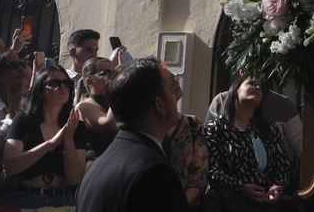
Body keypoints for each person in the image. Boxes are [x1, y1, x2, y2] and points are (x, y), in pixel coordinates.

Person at [74, 59, 184, 212]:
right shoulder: (155, 174)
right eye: (171, 87)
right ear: (160, 106)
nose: (177, 92)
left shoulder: (96, 168)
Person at [0, 62, 85, 211]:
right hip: (26, 199)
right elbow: (9, 166)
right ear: (40, 89)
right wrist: (50, 144)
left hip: (64, 200)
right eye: (55, 83)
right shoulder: (24, 120)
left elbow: (75, 178)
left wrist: (68, 139)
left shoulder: (76, 125)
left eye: (66, 83)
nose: (62, 87)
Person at [201, 77, 293, 210]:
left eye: (260, 87)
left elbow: (283, 167)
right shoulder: (215, 128)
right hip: (228, 200)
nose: (257, 87)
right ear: (236, 89)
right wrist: (241, 188)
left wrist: (277, 186)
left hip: (265, 201)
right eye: (252, 83)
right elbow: (212, 171)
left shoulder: (268, 128)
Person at [159, 71, 207, 208]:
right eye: (168, 80)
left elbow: (199, 174)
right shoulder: (148, 126)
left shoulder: (193, 124)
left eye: (173, 76)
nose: (175, 81)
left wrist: (180, 204)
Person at [71, 59, 116, 161]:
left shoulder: (113, 102)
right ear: (90, 81)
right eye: (107, 73)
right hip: (100, 164)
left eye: (115, 73)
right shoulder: (83, 106)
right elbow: (109, 124)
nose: (114, 77)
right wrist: (118, 89)